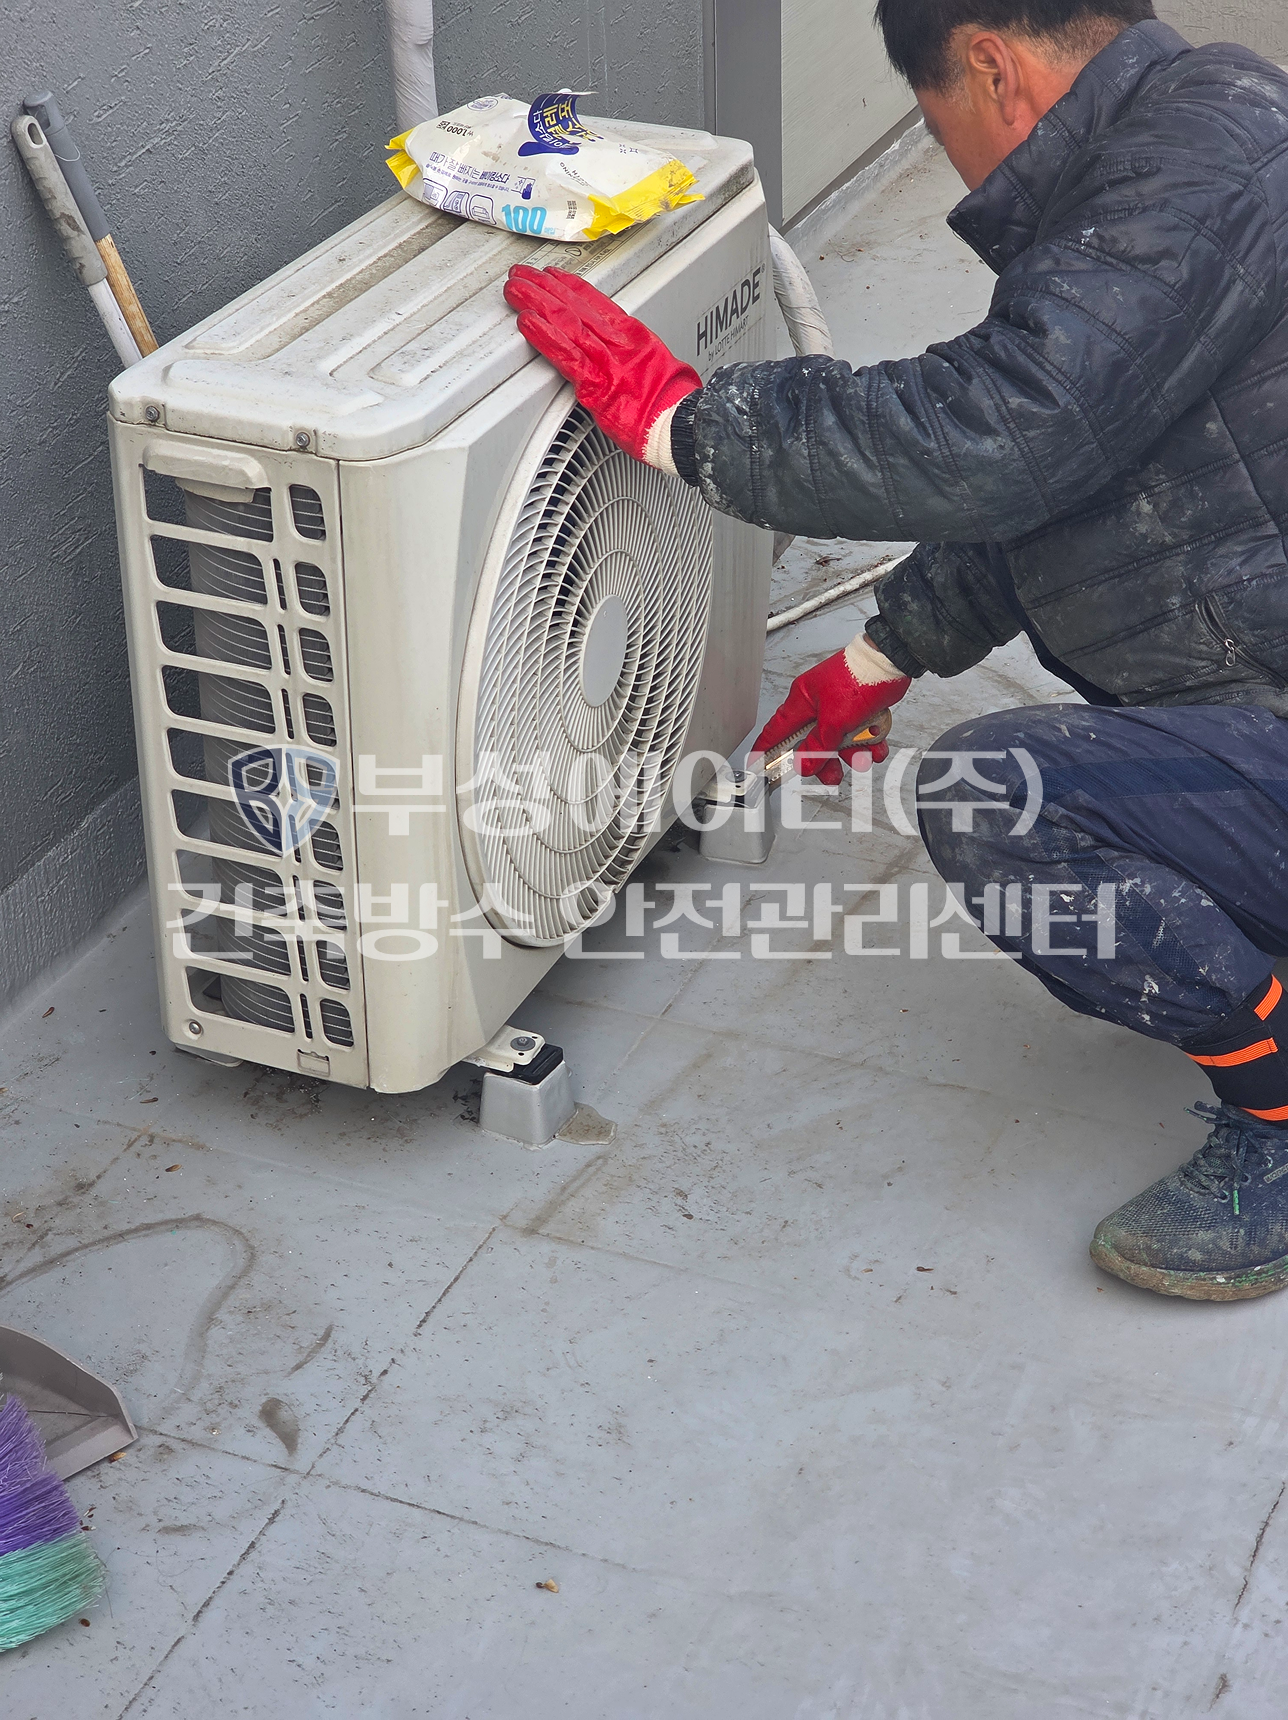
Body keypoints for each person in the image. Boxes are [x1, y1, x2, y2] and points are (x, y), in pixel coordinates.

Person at [502, 3, 1288, 1303]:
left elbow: (1005, 434)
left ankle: (1278, 1116)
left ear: (991, 65)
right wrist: (883, 654)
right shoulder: (1189, 143)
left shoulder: (1199, 172)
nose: (951, 161)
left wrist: (686, 426)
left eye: (937, 125)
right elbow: (1085, 470)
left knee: (997, 800)